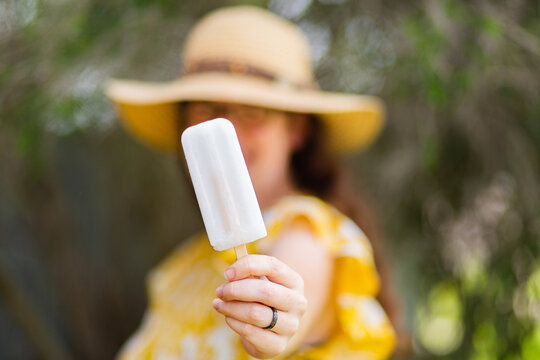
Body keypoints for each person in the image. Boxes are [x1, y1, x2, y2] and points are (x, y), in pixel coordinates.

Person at [106, 5, 397, 359]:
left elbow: (287, 312)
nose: (228, 128)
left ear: (297, 130)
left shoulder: (307, 232)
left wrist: (272, 325)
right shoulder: (188, 263)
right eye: (207, 107)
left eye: (253, 111)